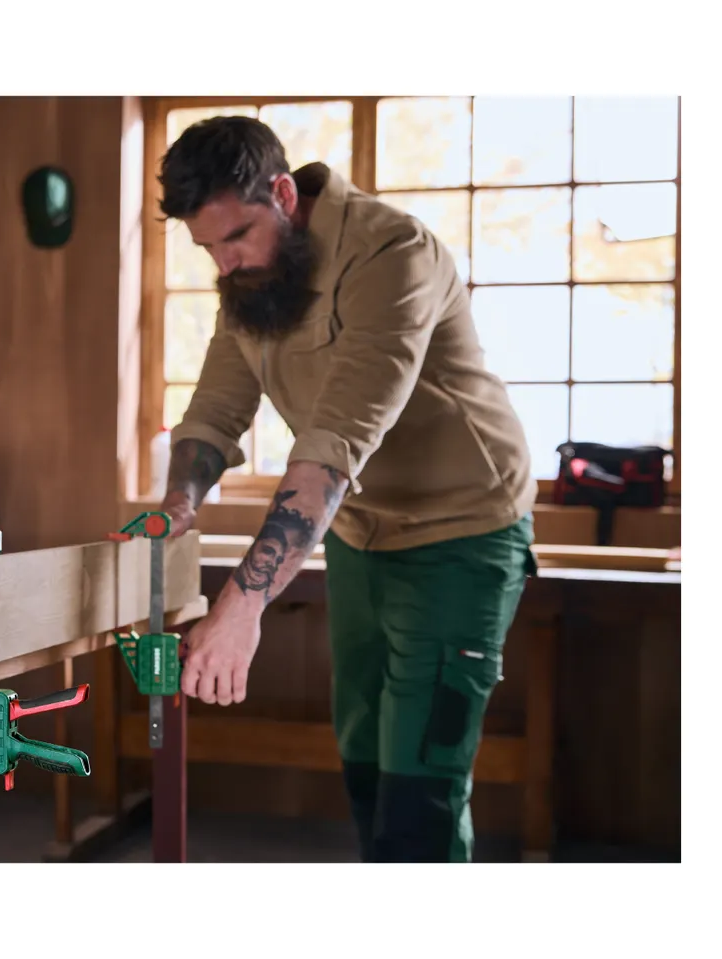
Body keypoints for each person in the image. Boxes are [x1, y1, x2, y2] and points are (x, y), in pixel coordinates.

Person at [158, 116, 539, 863]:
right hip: (360, 534)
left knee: (420, 782)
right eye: (208, 249)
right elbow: (214, 410)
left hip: (461, 531)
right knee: (365, 755)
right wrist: (179, 506)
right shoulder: (252, 277)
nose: (225, 263)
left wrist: (242, 606)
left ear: (281, 193)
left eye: (234, 237)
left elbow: (332, 448)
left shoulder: (392, 252)